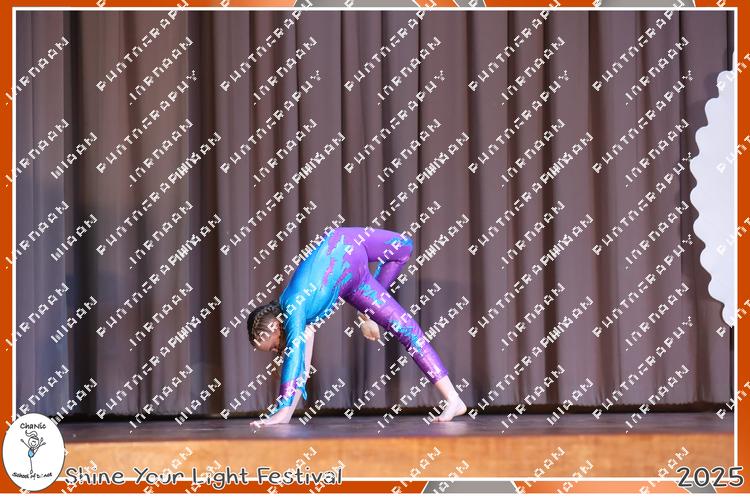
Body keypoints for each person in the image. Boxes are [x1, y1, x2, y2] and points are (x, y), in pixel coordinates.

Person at [247, 226, 467, 427]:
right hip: (356, 284)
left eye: (273, 345)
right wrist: (285, 414)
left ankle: (453, 399)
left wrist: (281, 411)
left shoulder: (293, 306)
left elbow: (293, 357)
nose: (276, 350)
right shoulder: (303, 322)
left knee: (404, 246)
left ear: (275, 326)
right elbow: (301, 369)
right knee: (406, 329)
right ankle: (454, 400)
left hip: (345, 243)